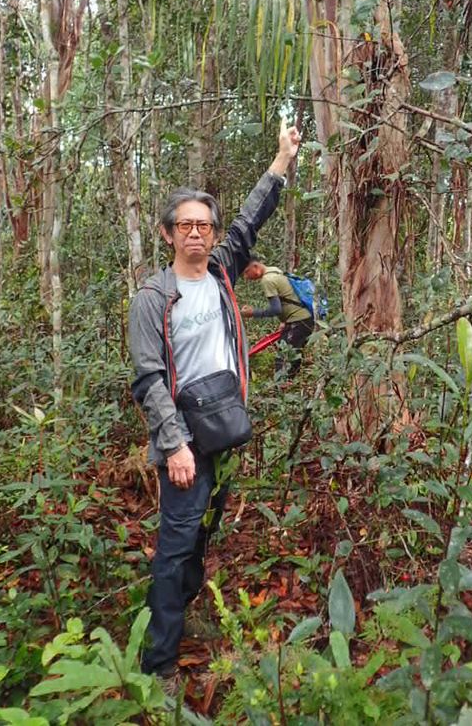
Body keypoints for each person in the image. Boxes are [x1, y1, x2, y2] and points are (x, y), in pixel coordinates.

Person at [128, 123, 301, 689]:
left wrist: (281, 160)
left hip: (224, 425)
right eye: (186, 226)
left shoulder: (223, 272)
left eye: (204, 225)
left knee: (204, 530)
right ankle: (159, 665)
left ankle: (184, 614)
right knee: (176, 546)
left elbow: (251, 218)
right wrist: (174, 445)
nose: (196, 234)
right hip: (185, 440)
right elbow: (150, 379)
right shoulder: (153, 298)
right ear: (168, 234)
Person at [241, 258, 314, 378]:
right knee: (292, 355)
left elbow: (276, 309)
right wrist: (285, 321)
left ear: (255, 267)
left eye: (246, 272)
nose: (246, 277)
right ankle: (290, 383)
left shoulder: (267, 280)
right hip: (304, 319)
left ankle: (283, 384)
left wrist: (253, 312)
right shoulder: (275, 271)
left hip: (299, 321)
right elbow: (288, 297)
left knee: (284, 358)